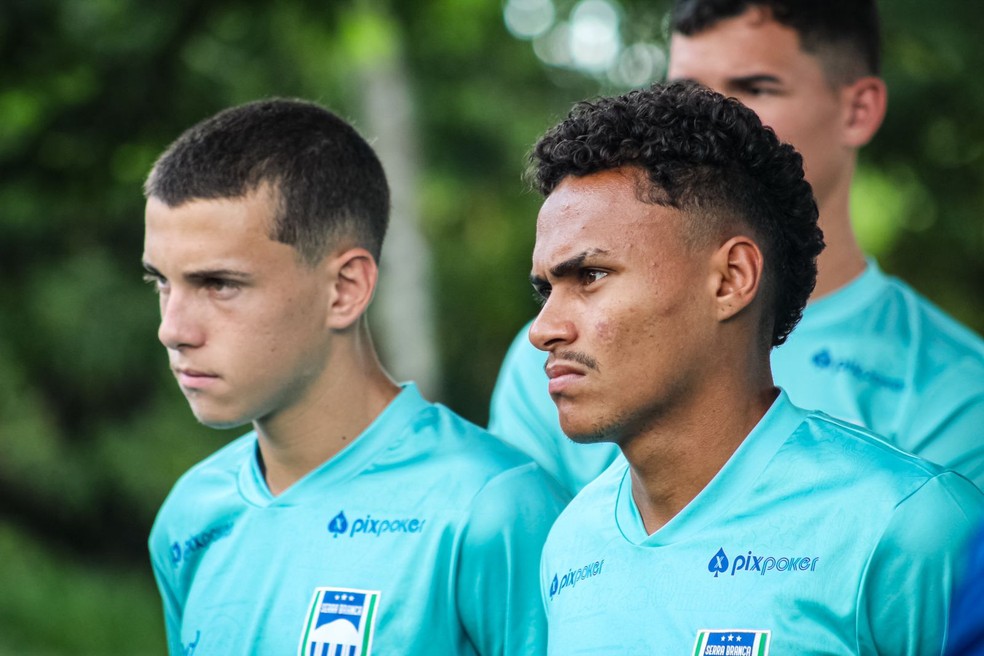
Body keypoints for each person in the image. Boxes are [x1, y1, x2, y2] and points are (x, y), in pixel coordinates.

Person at [531, 80, 983, 654]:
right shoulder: (571, 543)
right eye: (543, 290)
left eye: (590, 276)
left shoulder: (912, 529)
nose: (543, 329)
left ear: (730, 279)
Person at [489, 0, 984, 496]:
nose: (710, 115)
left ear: (858, 109)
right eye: (686, 92)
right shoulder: (550, 363)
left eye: (754, 87)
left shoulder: (958, 389)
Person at [142, 99, 567, 656]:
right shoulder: (189, 515)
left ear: (344, 289)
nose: (172, 330)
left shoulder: (493, 508)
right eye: (162, 283)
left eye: (219, 284)